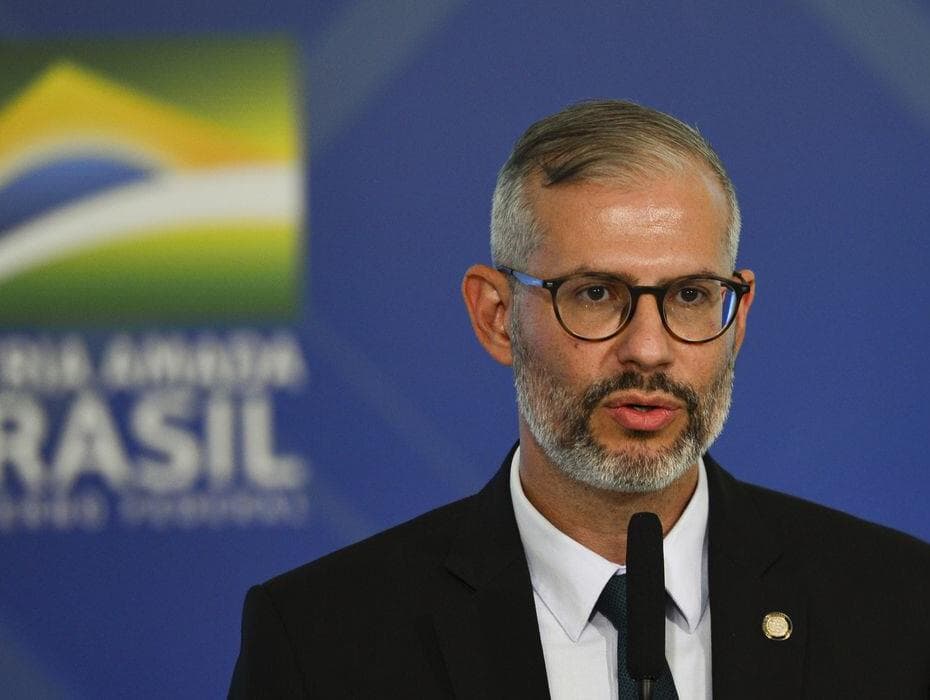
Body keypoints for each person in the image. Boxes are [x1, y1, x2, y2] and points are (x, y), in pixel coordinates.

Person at [229, 100, 930, 699]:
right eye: (596, 294)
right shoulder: (322, 642)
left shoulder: (902, 607)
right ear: (497, 316)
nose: (648, 349)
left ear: (738, 316)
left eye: (691, 296)